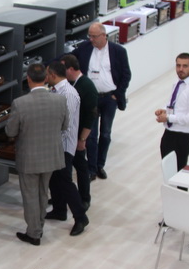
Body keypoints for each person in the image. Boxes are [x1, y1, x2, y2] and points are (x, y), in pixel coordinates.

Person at [5, 64, 68, 246]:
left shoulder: (20, 103)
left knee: (30, 195)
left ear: (29, 79)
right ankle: (38, 226)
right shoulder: (60, 100)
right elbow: (65, 126)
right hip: (51, 155)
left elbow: (10, 131)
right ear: (46, 78)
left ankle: (34, 233)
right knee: (42, 192)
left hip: (29, 158)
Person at [71, 22, 131, 181]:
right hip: (92, 98)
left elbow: (126, 75)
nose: (91, 39)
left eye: (94, 36)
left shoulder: (118, 51)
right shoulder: (85, 48)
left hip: (109, 98)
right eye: (89, 36)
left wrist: (117, 94)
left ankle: (100, 165)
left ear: (104, 35)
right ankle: (91, 168)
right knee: (91, 135)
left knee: (105, 133)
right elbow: (68, 59)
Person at [44, 60, 89, 236]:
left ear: (53, 75)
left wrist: (53, 141)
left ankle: (81, 217)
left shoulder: (68, 94)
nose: (45, 77)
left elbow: (66, 125)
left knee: (65, 181)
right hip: (56, 144)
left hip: (63, 145)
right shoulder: (55, 91)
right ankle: (59, 209)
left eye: (47, 74)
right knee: (54, 178)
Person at [155, 52, 189, 170]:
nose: (181, 69)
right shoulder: (177, 82)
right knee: (168, 171)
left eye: (185, 66)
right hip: (168, 134)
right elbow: (174, 105)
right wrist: (164, 110)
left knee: (179, 173)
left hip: (182, 137)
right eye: (178, 65)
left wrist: (168, 118)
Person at [61, 54, 96, 208]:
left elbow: (91, 116)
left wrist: (82, 139)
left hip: (78, 136)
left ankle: (84, 198)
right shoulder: (69, 84)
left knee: (81, 167)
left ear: (70, 69)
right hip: (69, 134)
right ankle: (62, 197)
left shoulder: (87, 86)